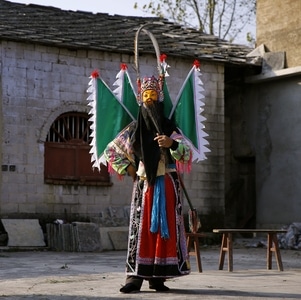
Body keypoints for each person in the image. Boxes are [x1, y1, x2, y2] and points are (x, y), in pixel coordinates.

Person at [104, 75, 192, 293]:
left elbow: (186, 153)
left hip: (169, 184)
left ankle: (158, 278)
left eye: (153, 95)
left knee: (166, 230)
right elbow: (111, 152)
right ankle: (134, 278)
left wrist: (171, 143)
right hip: (145, 186)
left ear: (160, 98)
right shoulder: (134, 130)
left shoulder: (170, 127)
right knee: (141, 230)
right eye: (146, 96)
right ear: (140, 99)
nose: (150, 100)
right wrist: (131, 169)